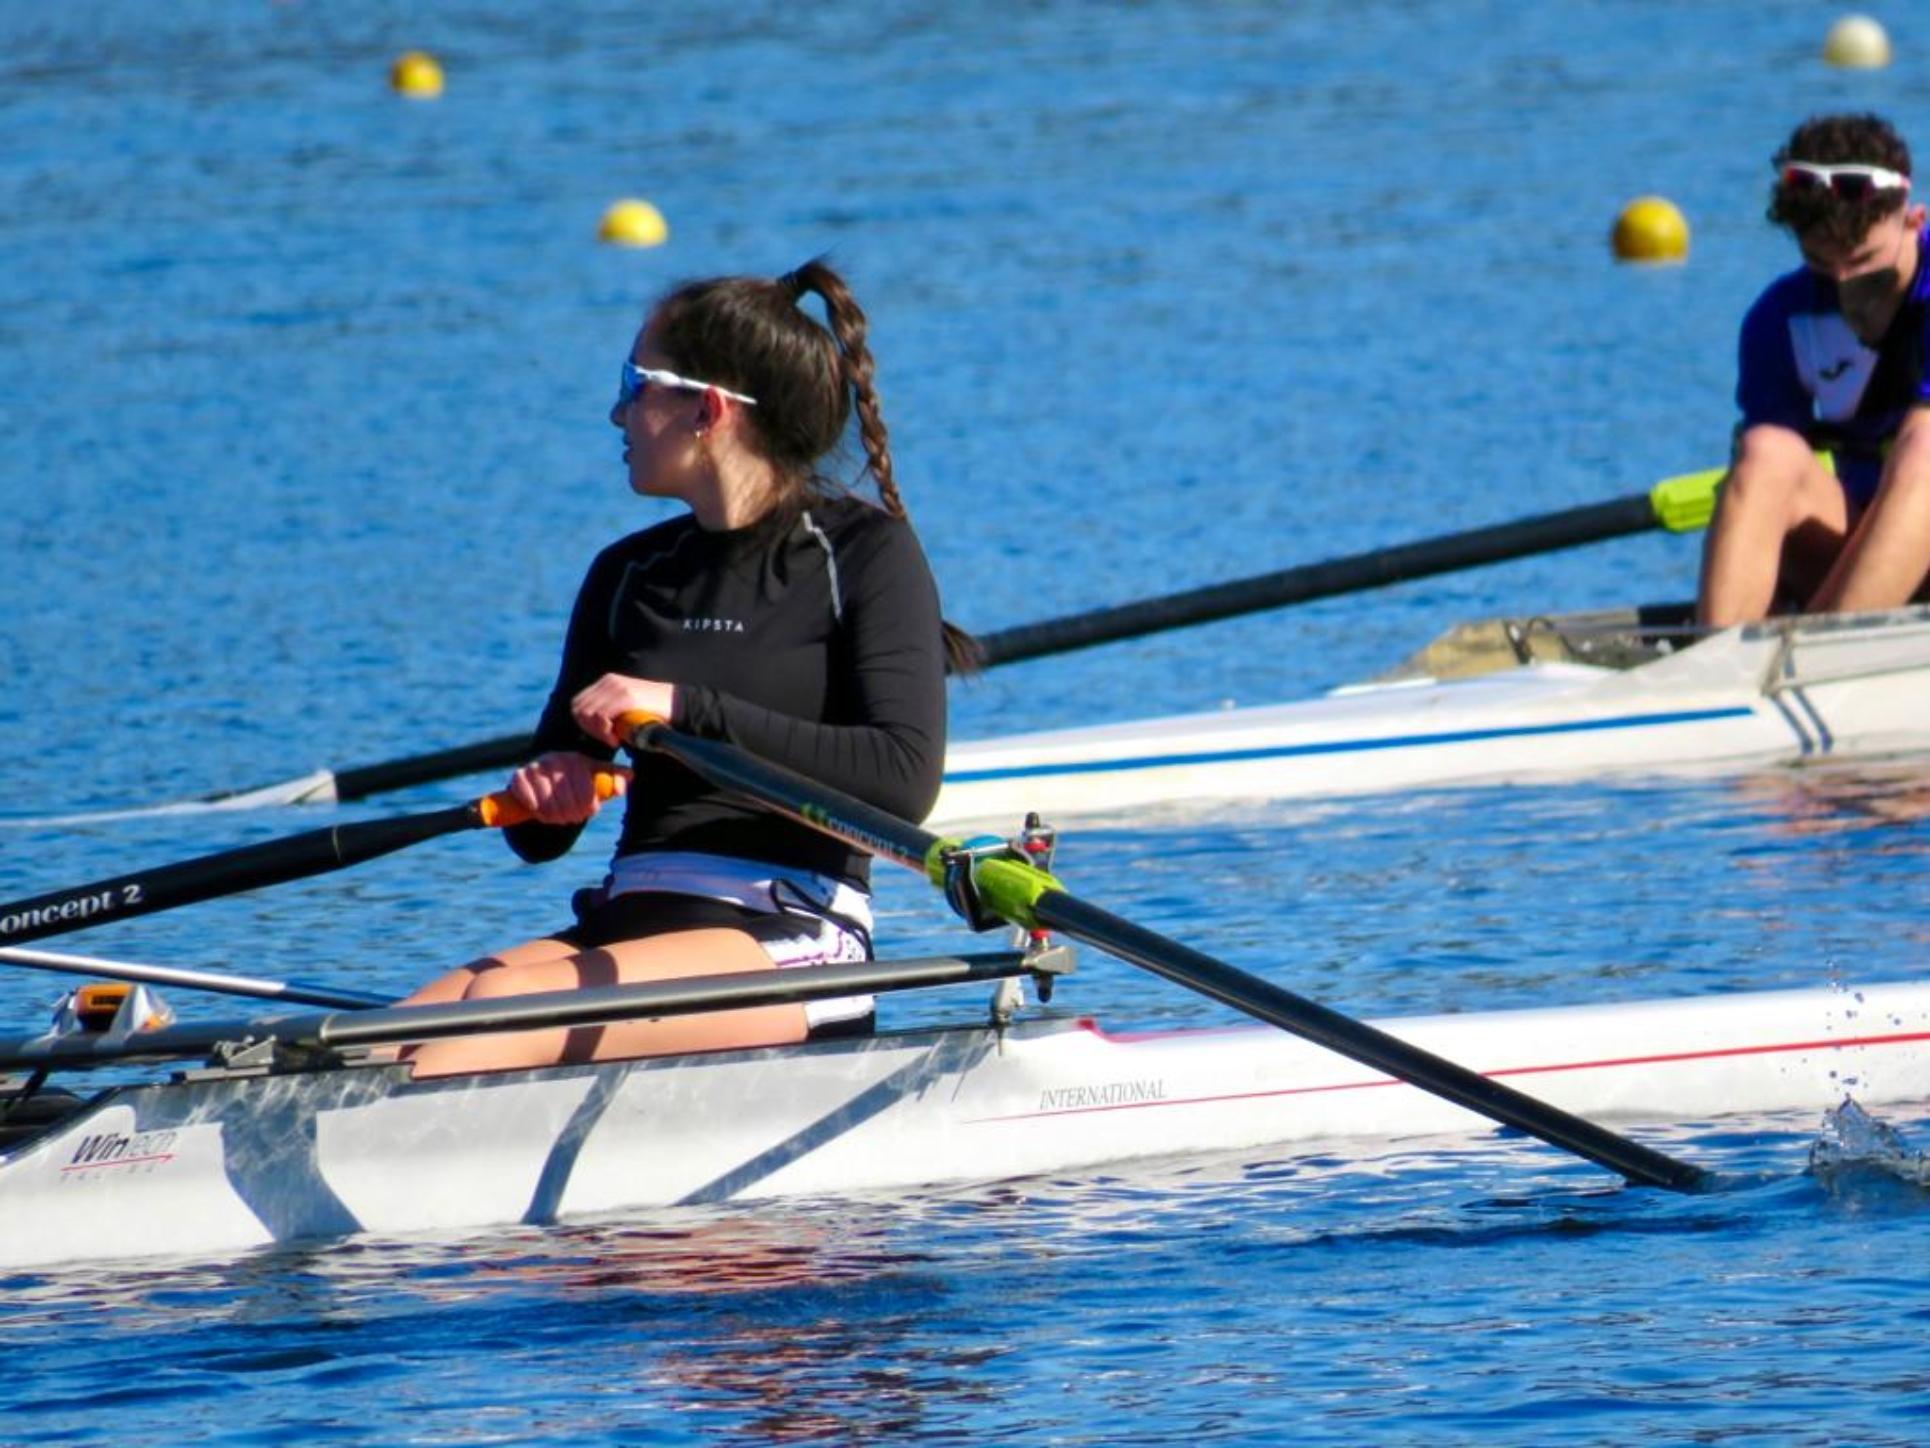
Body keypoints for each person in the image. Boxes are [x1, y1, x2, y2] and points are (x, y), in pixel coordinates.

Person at [401, 259, 968, 1077]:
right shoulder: (627, 573)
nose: (617, 411)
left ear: (707, 409)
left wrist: (687, 706)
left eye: (635, 383)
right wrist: (547, 792)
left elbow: (904, 779)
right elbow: (537, 839)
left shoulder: (863, 554)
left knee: (489, 1017)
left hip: (794, 931)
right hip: (630, 920)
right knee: (385, 1040)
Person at [1697, 112, 1930, 627]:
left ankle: (1814, 659)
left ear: (1914, 220)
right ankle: (1719, 672)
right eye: (1823, 264)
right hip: (1864, 552)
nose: (1845, 283)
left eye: (1865, 261)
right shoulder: (1779, 317)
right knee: (1766, 453)